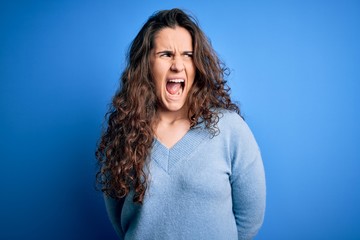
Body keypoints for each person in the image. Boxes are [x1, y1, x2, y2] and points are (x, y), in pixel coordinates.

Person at [96, 8, 266, 240]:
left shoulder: (230, 130)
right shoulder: (125, 134)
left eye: (187, 54)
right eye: (166, 54)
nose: (177, 64)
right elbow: (121, 221)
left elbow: (249, 220)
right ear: (146, 65)